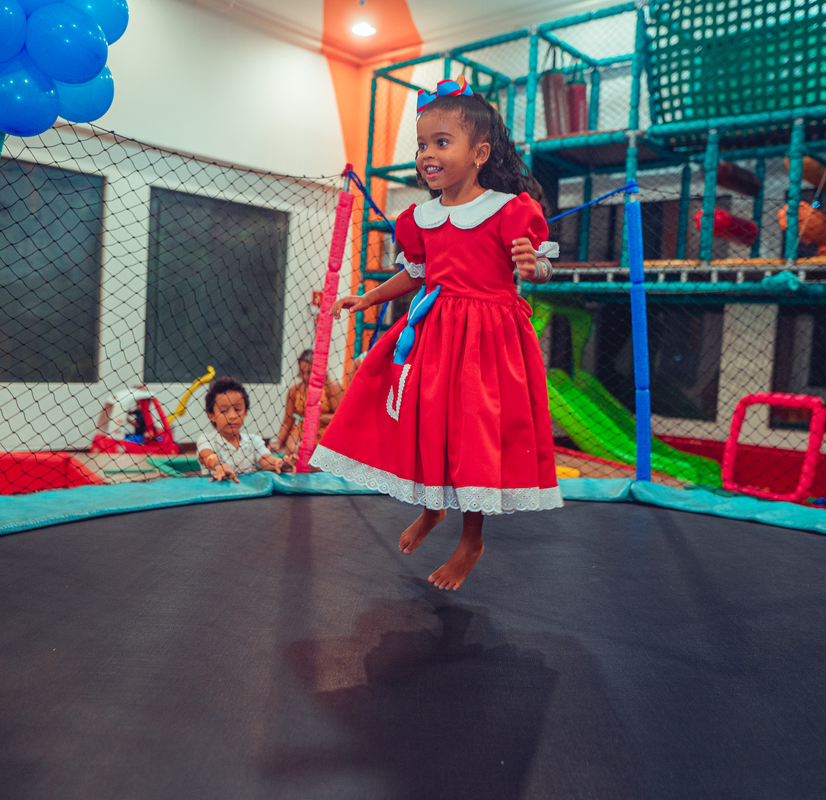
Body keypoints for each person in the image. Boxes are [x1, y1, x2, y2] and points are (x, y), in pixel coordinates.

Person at [310, 77, 560, 591]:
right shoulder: (420, 217)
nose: (427, 154)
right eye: (422, 144)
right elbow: (418, 274)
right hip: (434, 334)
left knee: (474, 437)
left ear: (479, 153)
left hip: (487, 342)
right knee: (430, 425)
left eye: (441, 142)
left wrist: (535, 267)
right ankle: (433, 508)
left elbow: (538, 268)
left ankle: (472, 539)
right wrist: (370, 296)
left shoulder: (508, 210)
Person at [198, 376, 293, 483]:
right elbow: (206, 455)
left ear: (245, 412)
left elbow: (266, 459)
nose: (232, 416)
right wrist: (218, 465)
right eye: (224, 411)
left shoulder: (254, 441)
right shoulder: (207, 439)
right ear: (211, 415)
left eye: (238, 409)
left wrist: (278, 462)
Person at [274, 349, 342, 456]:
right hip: (302, 430)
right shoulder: (294, 390)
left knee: (316, 453)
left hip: (326, 431)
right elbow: (287, 423)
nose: (305, 377)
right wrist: (277, 444)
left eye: (309, 372)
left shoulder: (331, 386)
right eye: (302, 372)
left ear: (319, 370)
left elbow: (341, 418)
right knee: (293, 450)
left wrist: (317, 417)